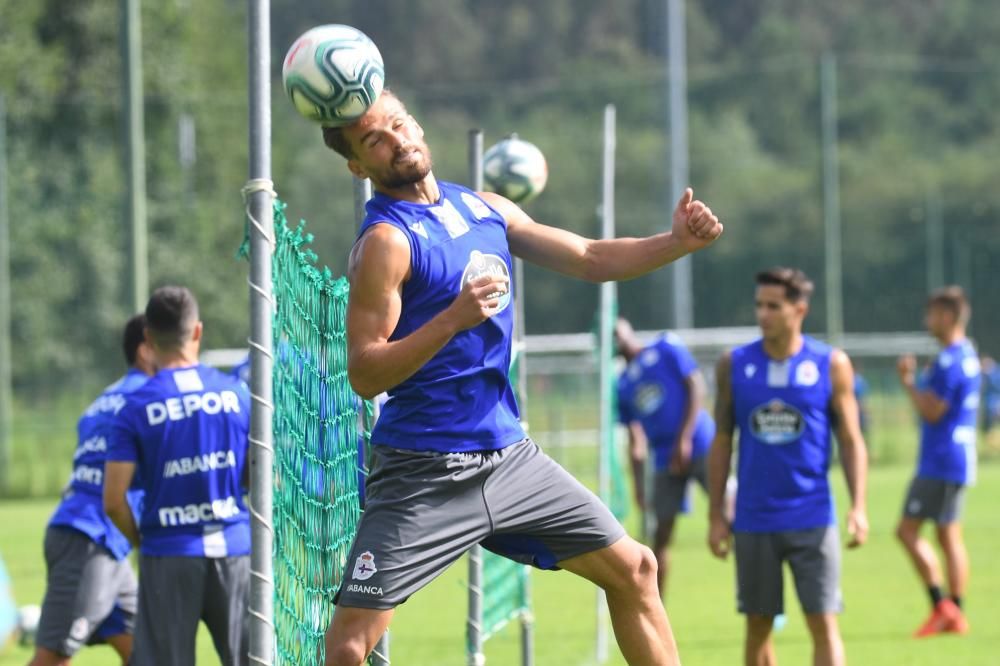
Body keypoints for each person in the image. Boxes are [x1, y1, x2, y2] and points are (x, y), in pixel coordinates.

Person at [318, 89, 723, 666]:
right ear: (359, 165)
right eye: (374, 140)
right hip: (423, 471)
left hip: (510, 459)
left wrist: (678, 242)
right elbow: (363, 371)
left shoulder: (484, 208)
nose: (397, 140)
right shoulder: (385, 242)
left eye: (399, 123)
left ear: (417, 124)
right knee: (349, 648)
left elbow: (588, 257)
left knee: (636, 568)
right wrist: (453, 319)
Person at [706, 267, 869, 666]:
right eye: (759, 305)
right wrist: (715, 515)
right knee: (758, 624)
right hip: (753, 518)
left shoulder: (830, 364)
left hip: (812, 515)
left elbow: (850, 440)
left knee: (823, 623)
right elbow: (723, 439)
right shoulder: (734, 364)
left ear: (799, 309)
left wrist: (858, 505)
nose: (763, 314)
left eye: (773, 306)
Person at [104, 287, 251, 666]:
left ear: (149, 338)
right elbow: (260, 473)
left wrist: (142, 540)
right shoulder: (238, 394)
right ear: (198, 331)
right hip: (235, 549)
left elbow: (113, 500)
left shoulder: (134, 407)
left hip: (167, 552)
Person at [29, 314, 153, 666]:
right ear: (145, 350)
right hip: (89, 541)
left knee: (146, 656)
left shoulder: (105, 399)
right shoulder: (147, 399)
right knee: (51, 658)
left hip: (105, 543)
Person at [895, 286, 979, 638]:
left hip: (941, 461)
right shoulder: (967, 353)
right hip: (958, 457)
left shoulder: (949, 360)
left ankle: (943, 607)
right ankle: (954, 611)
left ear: (946, 316)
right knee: (948, 535)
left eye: (931, 314)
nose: (927, 321)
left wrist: (908, 382)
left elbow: (932, 411)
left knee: (907, 530)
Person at [614, 318, 715, 597]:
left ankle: (760, 598)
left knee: (731, 515)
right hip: (664, 459)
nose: (614, 335)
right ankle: (656, 608)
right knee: (661, 536)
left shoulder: (666, 346)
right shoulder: (622, 385)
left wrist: (684, 438)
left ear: (627, 327)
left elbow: (697, 387)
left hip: (701, 443)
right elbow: (636, 441)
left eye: (616, 328)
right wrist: (637, 486)